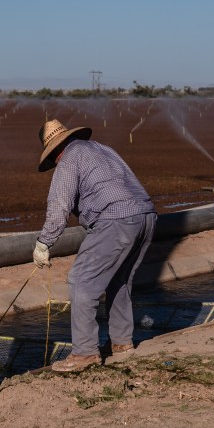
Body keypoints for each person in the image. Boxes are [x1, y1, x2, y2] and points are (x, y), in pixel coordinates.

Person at [33, 119, 157, 373]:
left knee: (81, 281)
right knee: (119, 282)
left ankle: (85, 353)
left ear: (55, 150)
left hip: (115, 219)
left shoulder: (68, 160)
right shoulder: (102, 149)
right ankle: (121, 344)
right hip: (146, 216)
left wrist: (44, 243)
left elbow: (59, 205)